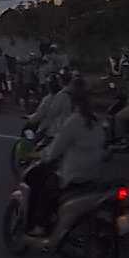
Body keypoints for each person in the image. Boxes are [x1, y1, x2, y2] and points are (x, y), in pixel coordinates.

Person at [26, 77, 104, 235]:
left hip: (74, 174)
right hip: (94, 173)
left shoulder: (74, 121)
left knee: (43, 185)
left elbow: (53, 151)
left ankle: (41, 225)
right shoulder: (97, 121)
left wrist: (37, 155)